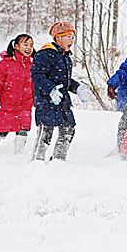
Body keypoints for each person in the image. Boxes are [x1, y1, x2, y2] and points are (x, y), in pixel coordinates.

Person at [30, 21, 93, 161]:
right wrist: (51, 89)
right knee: (46, 133)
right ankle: (37, 161)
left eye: (73, 37)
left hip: (63, 103)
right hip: (47, 101)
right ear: (58, 37)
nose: (72, 40)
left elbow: (65, 81)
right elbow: (37, 75)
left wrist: (78, 88)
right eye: (68, 36)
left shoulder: (65, 56)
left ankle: (58, 160)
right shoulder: (45, 54)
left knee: (69, 130)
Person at [0, 34, 35, 154]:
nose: (29, 47)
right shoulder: (5, 64)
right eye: (25, 44)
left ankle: (18, 154)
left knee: (24, 129)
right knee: (2, 132)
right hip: (6, 104)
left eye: (31, 45)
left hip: (25, 104)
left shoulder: (33, 66)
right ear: (16, 46)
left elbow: (36, 86)